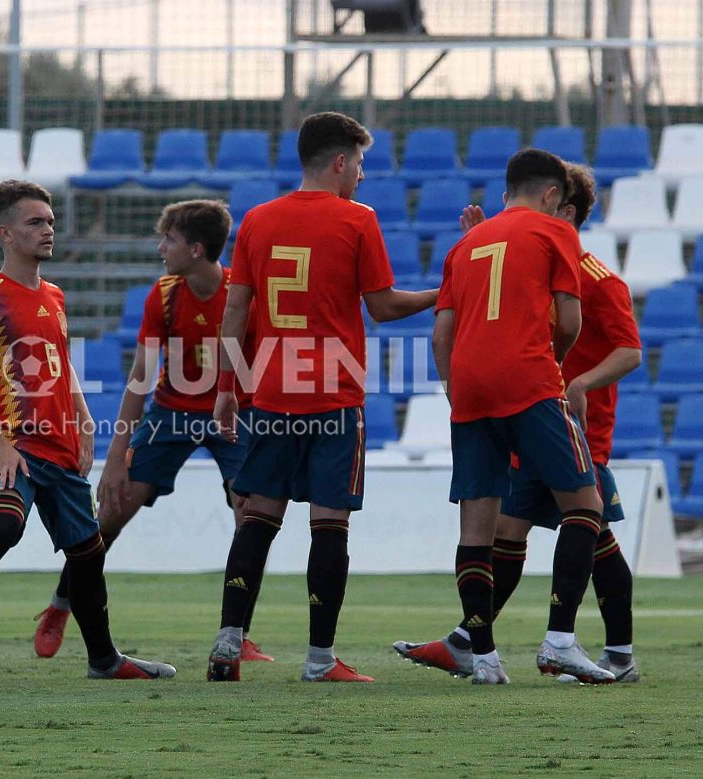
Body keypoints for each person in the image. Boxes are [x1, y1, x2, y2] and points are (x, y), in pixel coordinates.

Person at [205, 111, 438, 683]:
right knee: (329, 526)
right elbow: (382, 307)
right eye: (359, 163)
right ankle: (318, 660)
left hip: (272, 395)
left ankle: (228, 644)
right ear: (339, 161)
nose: (361, 174)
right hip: (333, 396)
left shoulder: (257, 221)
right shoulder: (357, 220)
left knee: (257, 518)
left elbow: (235, 314)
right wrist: (445, 289)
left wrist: (228, 389)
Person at [395, 163, 643, 682]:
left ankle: (612, 651)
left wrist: (573, 383)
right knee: (538, 525)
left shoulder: (590, 272)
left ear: (564, 207)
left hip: (539, 411)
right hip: (531, 399)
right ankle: (497, 642)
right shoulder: (541, 240)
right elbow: (561, 321)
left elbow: (629, 349)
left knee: (516, 528)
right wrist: (550, 370)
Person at [0, 179, 175, 682]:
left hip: (60, 447)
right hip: (15, 449)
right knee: (2, 527)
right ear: (6, 234)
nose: (47, 230)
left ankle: (104, 660)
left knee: (88, 554)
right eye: (35, 222)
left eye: (50, 222)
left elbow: (60, 366)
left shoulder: (55, 296)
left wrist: (83, 419)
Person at [33, 199, 272, 663]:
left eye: (169, 240)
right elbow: (141, 376)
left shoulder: (245, 297)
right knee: (112, 515)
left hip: (234, 413)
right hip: (170, 413)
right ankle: (61, 604)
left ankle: (236, 633)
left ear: (197, 249)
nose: (161, 247)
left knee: (251, 517)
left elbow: (259, 368)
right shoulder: (164, 294)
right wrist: (117, 454)